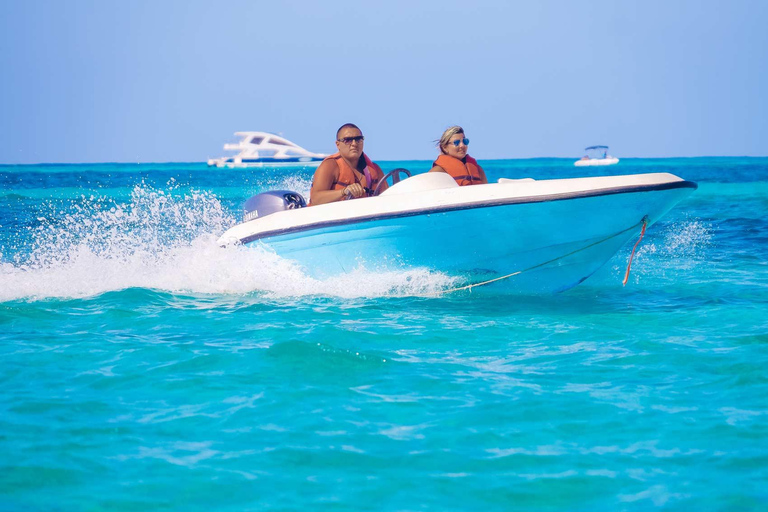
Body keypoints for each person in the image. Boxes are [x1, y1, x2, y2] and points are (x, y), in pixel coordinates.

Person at [309, 123, 387, 205]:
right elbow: (315, 199)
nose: (354, 144)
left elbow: (387, 198)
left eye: (358, 139)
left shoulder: (375, 169)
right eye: (348, 140)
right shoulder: (330, 166)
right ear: (338, 144)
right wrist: (344, 192)